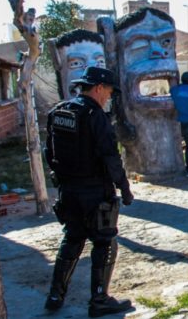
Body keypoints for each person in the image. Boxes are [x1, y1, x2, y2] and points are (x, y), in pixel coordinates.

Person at [43, 66, 134, 317]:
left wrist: (62, 178)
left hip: (68, 190)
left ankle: (54, 296)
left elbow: (48, 153)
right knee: (104, 242)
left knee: (72, 239)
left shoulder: (58, 112)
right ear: (97, 88)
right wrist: (124, 189)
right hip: (94, 191)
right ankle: (99, 300)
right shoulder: (95, 116)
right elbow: (110, 157)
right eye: (108, 91)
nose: (108, 96)